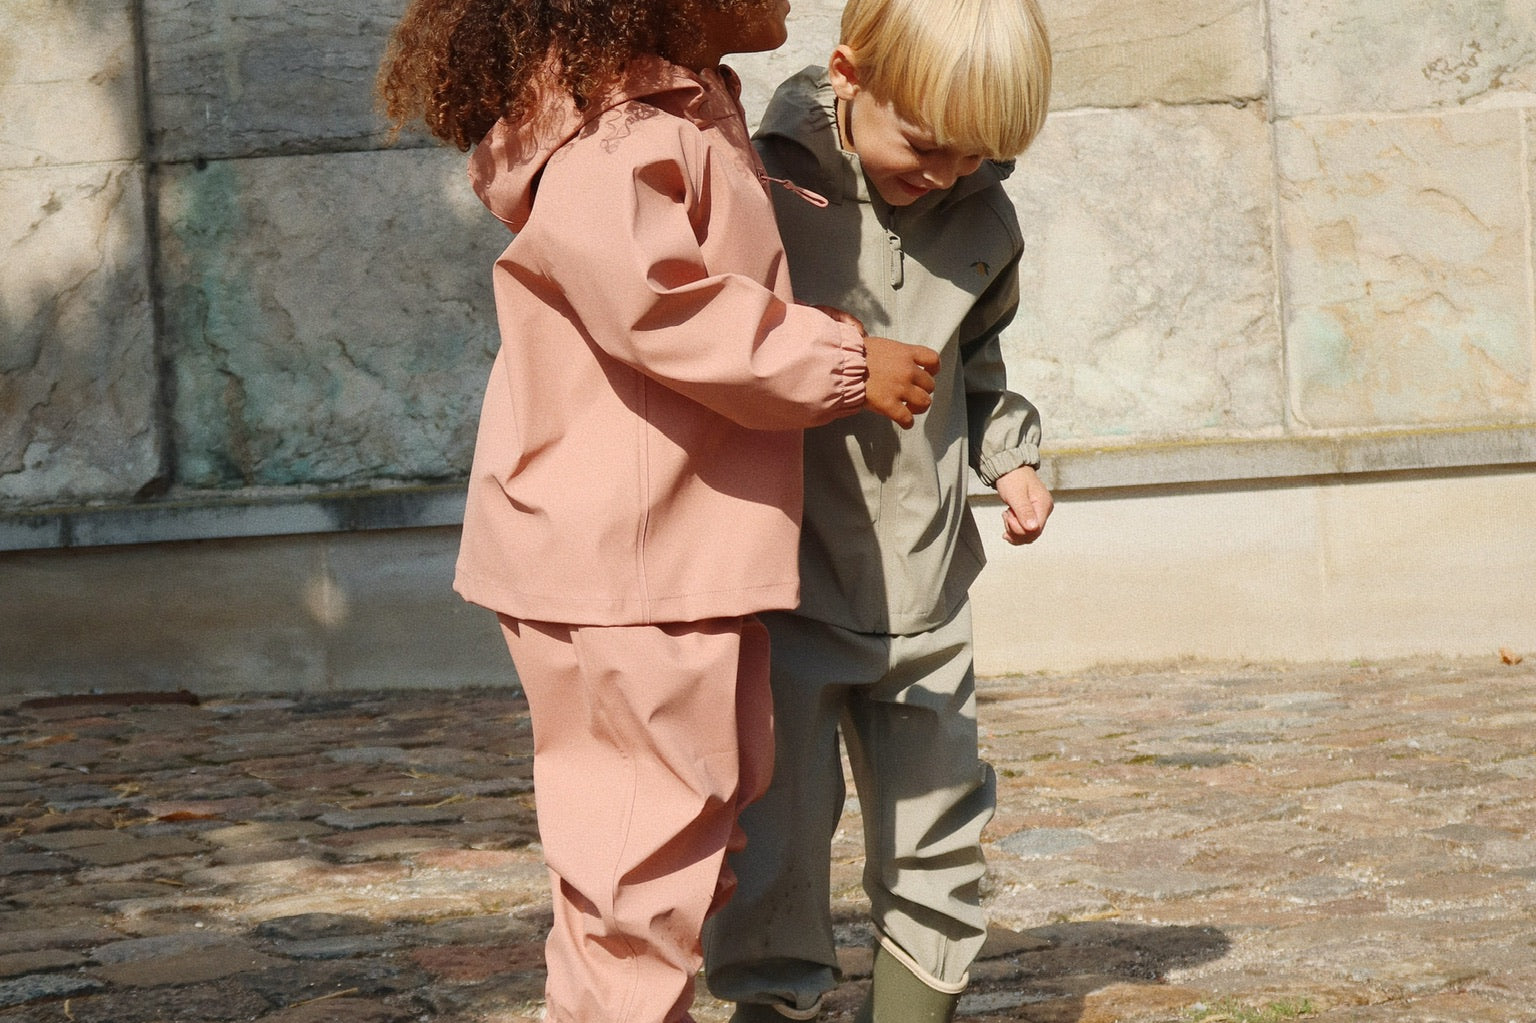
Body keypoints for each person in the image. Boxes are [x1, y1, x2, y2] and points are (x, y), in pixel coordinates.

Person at [376, 2, 942, 1021]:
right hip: (631, 559)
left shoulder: (665, 109)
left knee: (658, 840)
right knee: (642, 860)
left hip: (651, 551)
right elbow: (665, 307)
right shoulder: (618, 137)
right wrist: (847, 362)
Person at [701, 0, 1054, 1020]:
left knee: (940, 830)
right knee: (772, 839)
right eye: (928, 146)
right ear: (850, 77)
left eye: (975, 156)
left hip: (928, 590)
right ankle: (770, 1001)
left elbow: (976, 368)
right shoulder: (760, 187)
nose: (947, 174)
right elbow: (717, 344)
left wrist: (1009, 457)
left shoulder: (984, 216)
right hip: (787, 591)